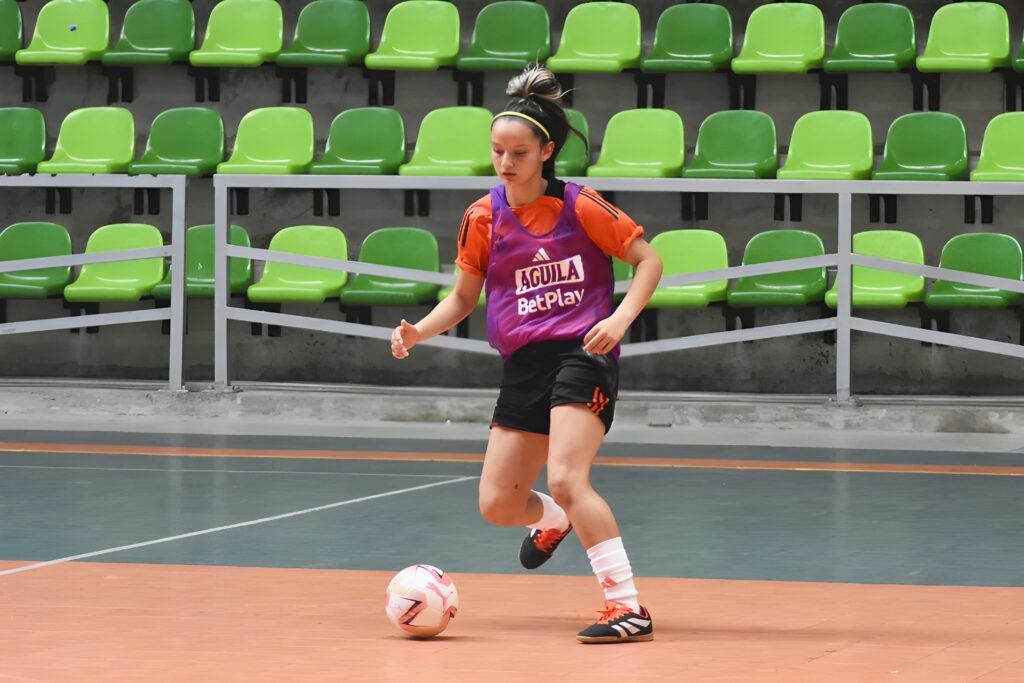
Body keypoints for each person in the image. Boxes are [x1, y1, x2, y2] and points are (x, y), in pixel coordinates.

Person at [391, 65, 663, 644]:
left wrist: (619, 319)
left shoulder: (581, 205)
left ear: (546, 150)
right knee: (497, 503)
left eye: (518, 152)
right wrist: (419, 331)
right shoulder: (482, 217)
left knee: (567, 476)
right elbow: (465, 296)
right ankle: (556, 521)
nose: (506, 162)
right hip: (523, 364)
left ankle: (627, 606)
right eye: (497, 152)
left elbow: (649, 261)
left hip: (583, 352)